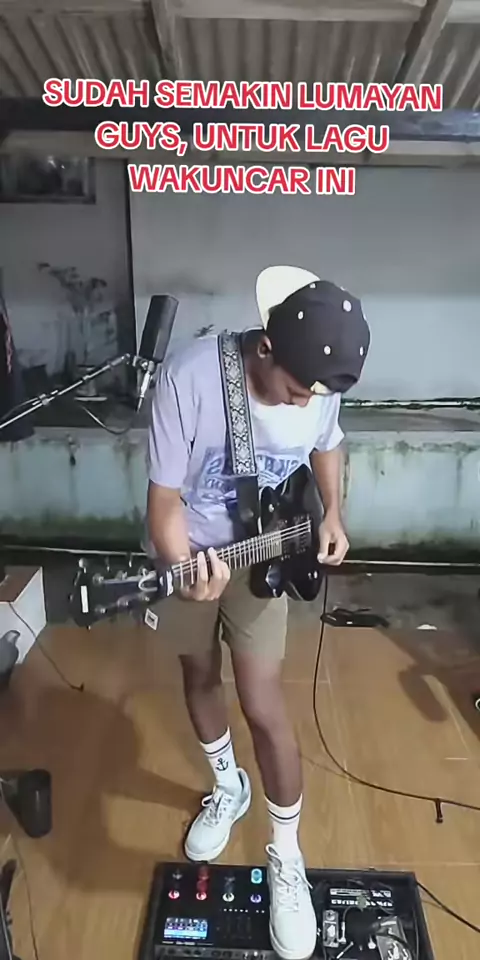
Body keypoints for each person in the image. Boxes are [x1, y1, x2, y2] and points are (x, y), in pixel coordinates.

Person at [145, 265, 370, 960]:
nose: (306, 403)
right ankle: (227, 787)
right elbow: (163, 503)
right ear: (266, 347)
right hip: (192, 552)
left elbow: (328, 443)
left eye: (315, 395)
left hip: (266, 552)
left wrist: (331, 512)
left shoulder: (317, 383)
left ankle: (286, 854)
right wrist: (184, 568)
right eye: (296, 391)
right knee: (198, 674)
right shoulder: (190, 380)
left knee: (264, 703)